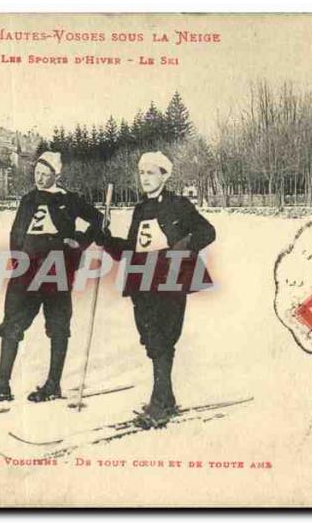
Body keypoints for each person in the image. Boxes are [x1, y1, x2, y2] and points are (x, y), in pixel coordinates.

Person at [0, 151, 105, 404]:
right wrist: (17, 260)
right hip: (27, 270)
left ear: (57, 175)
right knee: (12, 322)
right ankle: (2, 383)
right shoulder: (28, 200)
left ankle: (53, 384)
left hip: (57, 268)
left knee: (57, 324)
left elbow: (99, 219)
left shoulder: (69, 199)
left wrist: (79, 241)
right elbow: (16, 233)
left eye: (46, 174)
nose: (40, 179)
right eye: (37, 173)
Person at [97, 151, 216, 428]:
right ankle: (167, 397)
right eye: (142, 173)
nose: (145, 179)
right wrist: (104, 240)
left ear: (164, 175)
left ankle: (159, 403)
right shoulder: (140, 209)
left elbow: (207, 232)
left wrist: (182, 247)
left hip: (170, 278)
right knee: (151, 339)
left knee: (164, 338)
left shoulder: (179, 205)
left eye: (151, 173)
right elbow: (131, 249)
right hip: (142, 280)